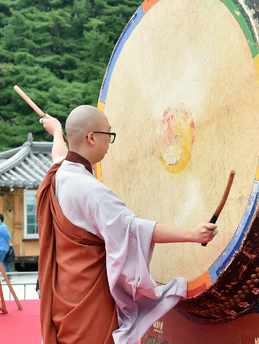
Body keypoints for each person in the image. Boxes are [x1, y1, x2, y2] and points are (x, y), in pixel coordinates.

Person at [36, 108, 217, 344]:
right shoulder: (93, 191)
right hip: (90, 303)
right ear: (91, 137)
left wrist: (57, 132)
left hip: (64, 296)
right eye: (108, 134)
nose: (109, 142)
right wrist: (192, 234)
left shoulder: (58, 175)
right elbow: (136, 229)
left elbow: (59, 154)